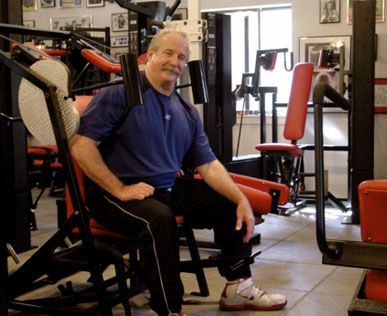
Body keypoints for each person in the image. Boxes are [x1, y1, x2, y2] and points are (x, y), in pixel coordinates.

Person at [69, 28, 287, 316]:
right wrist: (120, 189)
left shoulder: (185, 109)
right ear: (151, 55)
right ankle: (170, 309)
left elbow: (208, 165)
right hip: (113, 195)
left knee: (226, 202)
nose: (175, 61)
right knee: (158, 219)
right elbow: (81, 146)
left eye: (182, 57)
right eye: (169, 53)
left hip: (164, 190)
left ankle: (238, 286)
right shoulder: (117, 94)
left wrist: (241, 199)